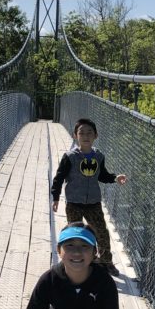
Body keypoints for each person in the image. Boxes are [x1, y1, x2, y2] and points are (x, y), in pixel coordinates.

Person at [51, 118, 127, 276]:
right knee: (75, 234)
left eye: (89, 133)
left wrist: (114, 177)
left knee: (101, 233)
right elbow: (59, 178)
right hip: (74, 202)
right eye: (81, 133)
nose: (86, 136)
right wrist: (56, 197)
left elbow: (102, 175)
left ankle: (106, 262)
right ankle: (72, 262)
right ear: (75, 136)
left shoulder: (98, 156)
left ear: (96, 136)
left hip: (93, 202)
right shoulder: (70, 157)